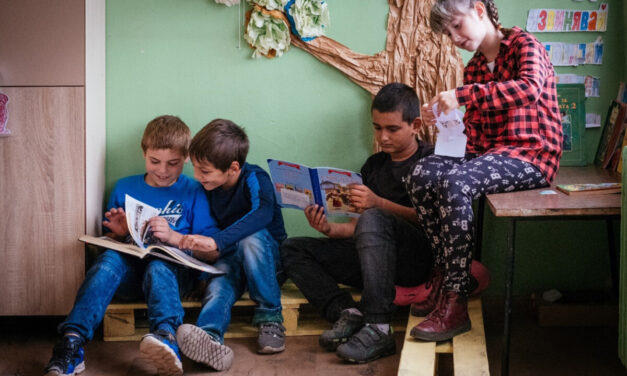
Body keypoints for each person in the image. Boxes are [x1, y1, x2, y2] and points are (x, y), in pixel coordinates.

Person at [405, 0, 563, 342]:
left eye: (457, 26)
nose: (454, 38)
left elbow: (528, 88)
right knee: (420, 174)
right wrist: (445, 121)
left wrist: (461, 96)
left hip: (533, 155)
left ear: (479, 10)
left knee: (456, 181)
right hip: (492, 154)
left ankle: (455, 301)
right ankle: (445, 277)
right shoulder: (475, 68)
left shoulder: (525, 45)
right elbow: (476, 137)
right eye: (448, 34)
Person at [44, 115, 220, 376]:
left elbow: (213, 250)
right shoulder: (124, 187)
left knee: (159, 265)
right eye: (154, 161)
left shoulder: (195, 191)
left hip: (171, 279)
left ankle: (166, 338)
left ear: (186, 156)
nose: (162, 170)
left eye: (172, 163)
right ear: (143, 153)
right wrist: (117, 235)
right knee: (107, 261)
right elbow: (114, 243)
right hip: (130, 279)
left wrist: (173, 236)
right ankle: (71, 343)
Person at [280, 83, 434, 364]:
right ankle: (347, 313)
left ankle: (379, 327)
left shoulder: (432, 162)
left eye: (392, 129)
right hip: (372, 261)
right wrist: (329, 229)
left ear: (415, 125)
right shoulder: (374, 166)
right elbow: (362, 228)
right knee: (292, 248)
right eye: (377, 128)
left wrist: (379, 203)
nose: (383, 137)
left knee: (375, 216)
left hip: (416, 260)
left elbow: (436, 222)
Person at [174, 119, 287, 372]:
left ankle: (271, 317)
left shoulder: (255, 178)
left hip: (269, 263)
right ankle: (210, 338)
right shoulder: (208, 186)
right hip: (232, 257)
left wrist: (217, 241)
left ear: (233, 168)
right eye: (195, 168)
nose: (197, 176)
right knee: (219, 285)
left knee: (250, 238)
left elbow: (263, 213)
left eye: (204, 170)